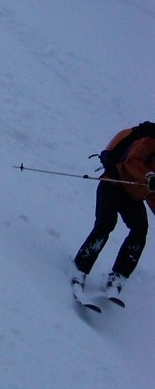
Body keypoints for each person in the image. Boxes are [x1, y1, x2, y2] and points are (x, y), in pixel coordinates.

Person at [72, 122, 155, 302]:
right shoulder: (150, 141)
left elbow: (152, 192)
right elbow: (132, 161)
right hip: (113, 184)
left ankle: (118, 277)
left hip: (133, 197)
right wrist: (149, 176)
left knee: (140, 230)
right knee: (106, 223)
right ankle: (80, 268)